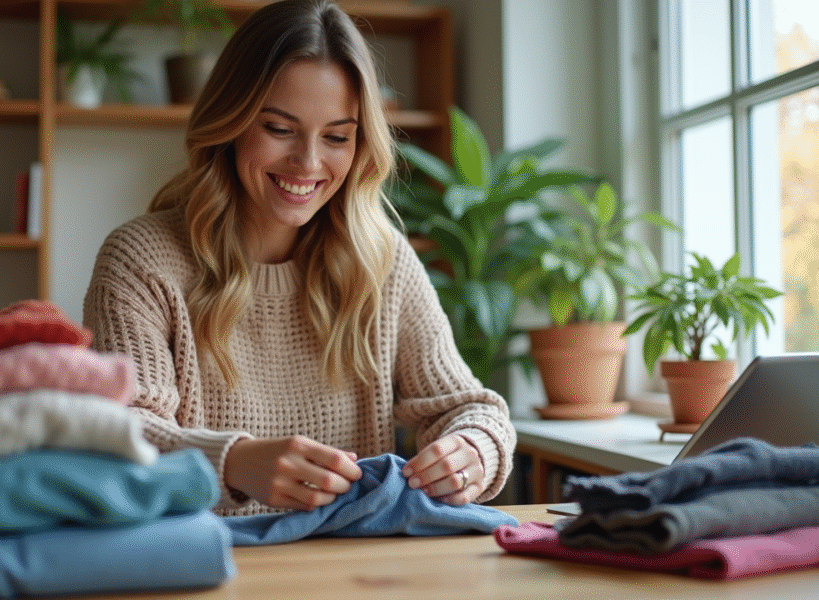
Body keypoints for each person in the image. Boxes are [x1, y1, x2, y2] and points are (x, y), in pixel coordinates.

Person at [83, 0, 515, 516]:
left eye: (336, 137)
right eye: (279, 129)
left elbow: (466, 406)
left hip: (351, 569)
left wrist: (472, 450)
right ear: (232, 120)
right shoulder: (141, 261)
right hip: (202, 562)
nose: (308, 163)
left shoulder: (381, 261)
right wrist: (236, 462)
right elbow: (119, 433)